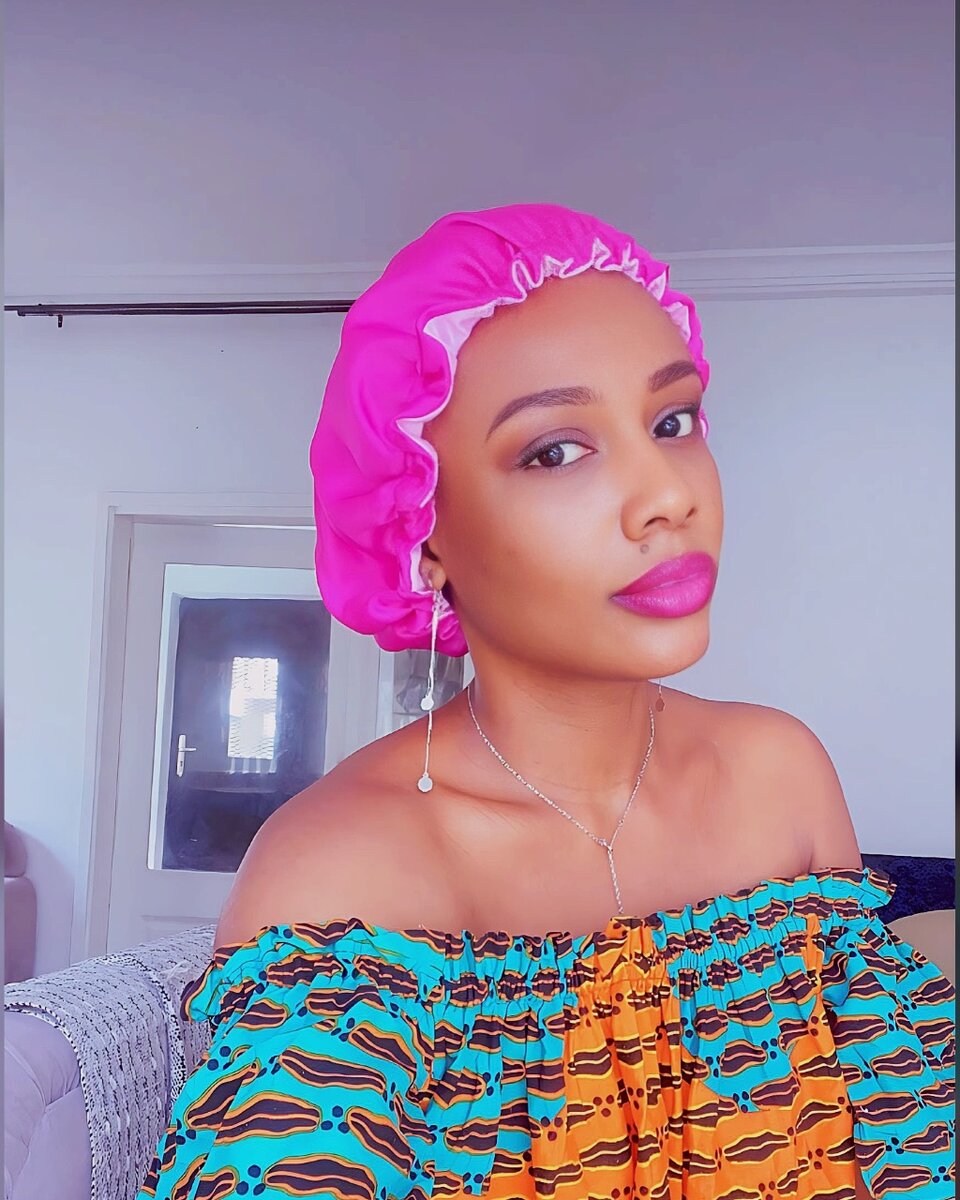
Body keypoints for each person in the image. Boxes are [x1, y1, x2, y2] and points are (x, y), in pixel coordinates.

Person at [138, 204, 955, 1199]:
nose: (669, 496)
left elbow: (893, 1131)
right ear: (423, 538)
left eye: (673, 421)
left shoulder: (781, 774)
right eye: (555, 451)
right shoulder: (332, 871)